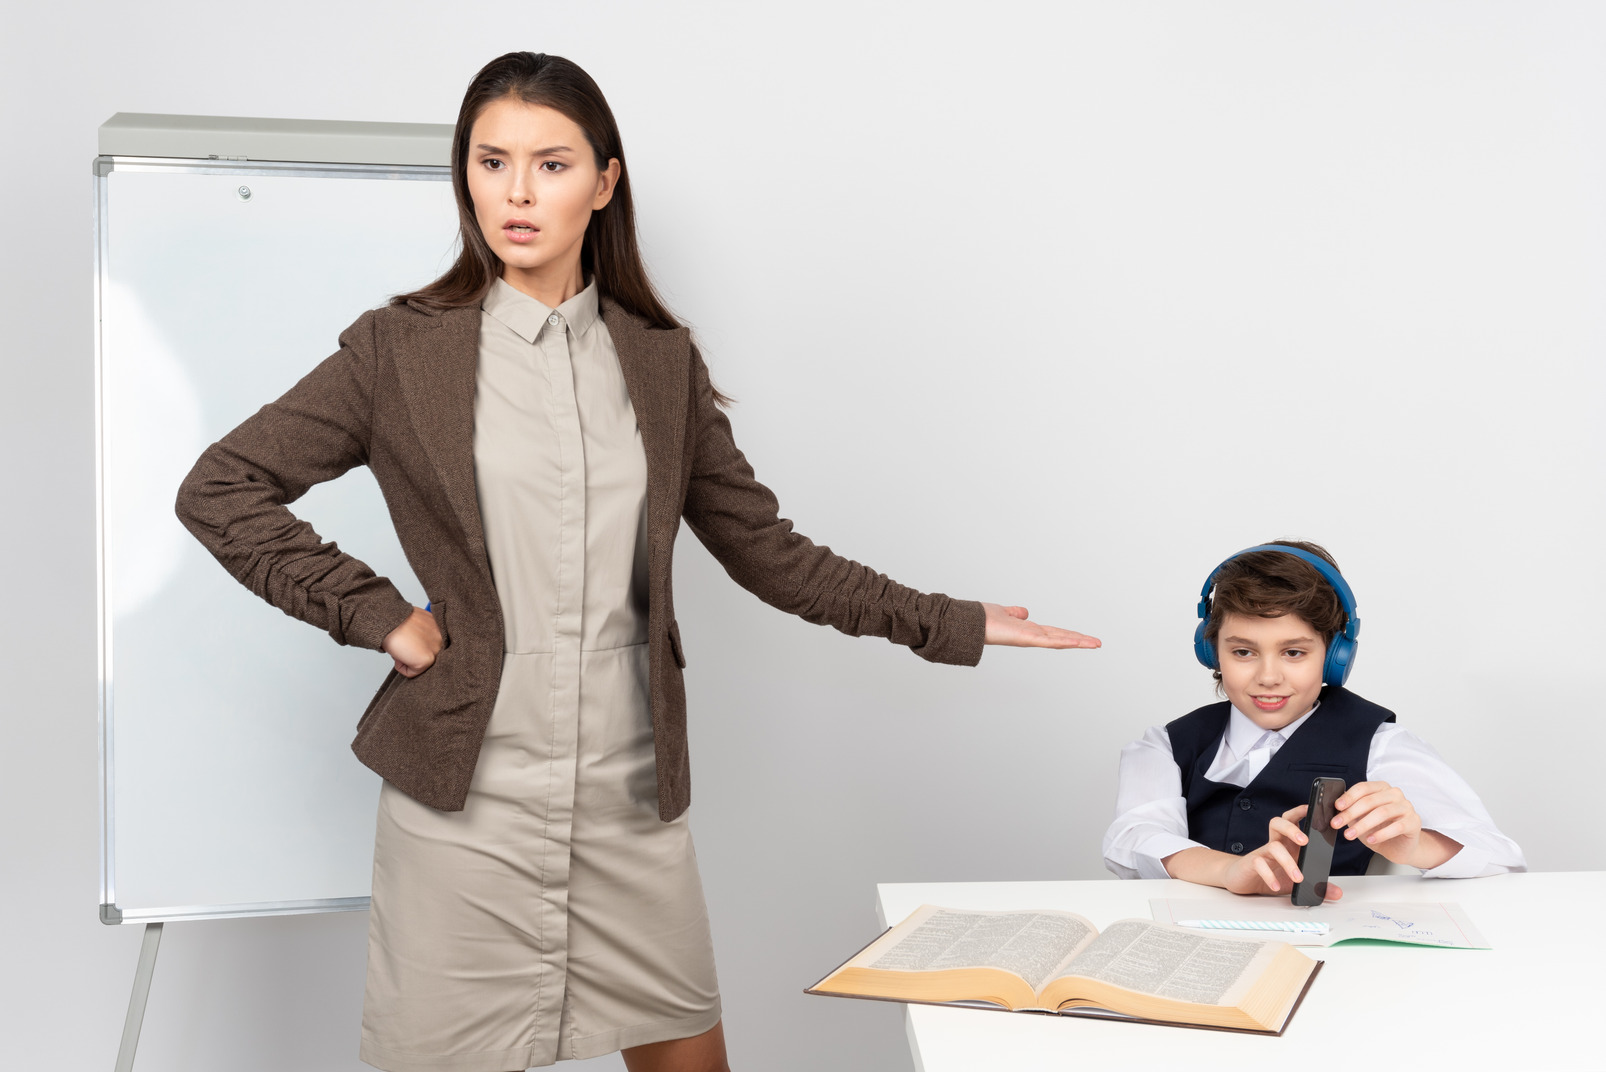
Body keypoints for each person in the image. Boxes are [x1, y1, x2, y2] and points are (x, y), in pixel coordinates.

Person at [174, 52, 1099, 1072]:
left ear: (605, 182)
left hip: (626, 800)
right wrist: (376, 610)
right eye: (491, 162)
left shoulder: (658, 360)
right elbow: (221, 487)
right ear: (464, 174)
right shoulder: (399, 350)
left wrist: (950, 619)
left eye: (551, 163)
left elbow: (767, 551)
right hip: (464, 806)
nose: (517, 193)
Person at [1101, 540, 1522, 899]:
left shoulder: (1379, 744)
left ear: (1336, 656)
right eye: (1243, 652)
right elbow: (1132, 839)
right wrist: (1229, 872)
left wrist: (1415, 846)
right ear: (1212, 652)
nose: (1268, 677)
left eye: (1294, 652)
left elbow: (1499, 855)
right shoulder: (1168, 746)